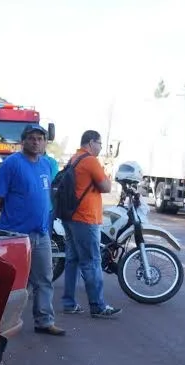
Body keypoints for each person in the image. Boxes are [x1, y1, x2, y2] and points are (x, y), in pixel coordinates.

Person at [0, 124, 65, 336]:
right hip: (16, 235)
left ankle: (44, 321)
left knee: (44, 279)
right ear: (23, 141)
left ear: (45, 143)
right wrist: (12, 211)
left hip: (41, 234)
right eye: (31, 138)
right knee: (11, 281)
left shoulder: (46, 165)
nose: (36, 142)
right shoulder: (12, 163)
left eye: (40, 139)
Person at [62, 130, 121, 318]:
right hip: (86, 219)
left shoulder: (74, 158)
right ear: (90, 142)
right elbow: (106, 187)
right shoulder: (90, 161)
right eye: (99, 143)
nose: (100, 147)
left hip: (71, 217)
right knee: (91, 262)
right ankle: (98, 306)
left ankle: (69, 303)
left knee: (72, 260)